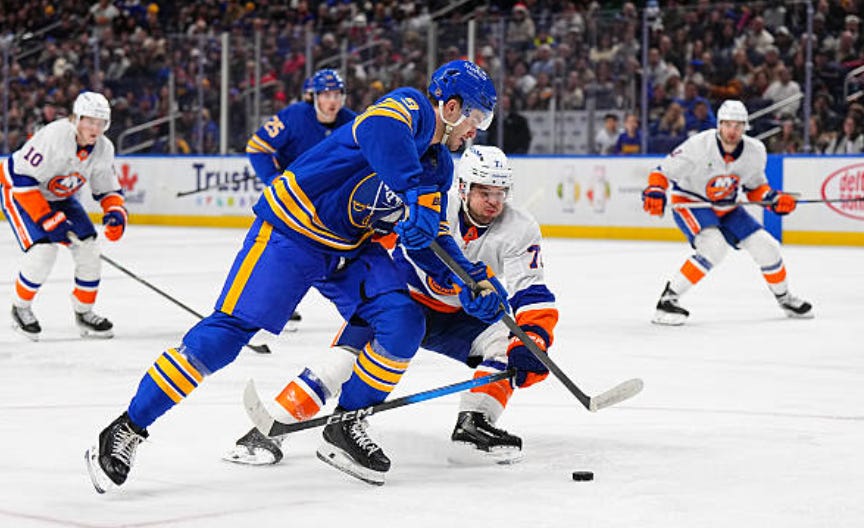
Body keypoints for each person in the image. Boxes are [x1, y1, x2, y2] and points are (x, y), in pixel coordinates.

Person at [85, 60, 505, 492]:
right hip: (292, 232)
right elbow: (380, 131)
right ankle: (127, 427)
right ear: (451, 108)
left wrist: (469, 279)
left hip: (349, 249)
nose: (475, 131)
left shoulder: (439, 167)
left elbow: (428, 239)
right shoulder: (408, 107)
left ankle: (346, 424)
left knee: (404, 320)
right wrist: (413, 193)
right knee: (225, 337)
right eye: (476, 118)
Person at [224, 145, 557, 466]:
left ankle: (474, 424)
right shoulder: (433, 204)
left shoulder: (520, 227)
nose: (494, 201)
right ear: (464, 187)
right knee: (344, 360)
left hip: (457, 318)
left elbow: (530, 290)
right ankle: (271, 427)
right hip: (401, 301)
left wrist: (534, 340)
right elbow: (380, 238)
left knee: (506, 342)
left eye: (500, 192)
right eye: (485, 192)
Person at [641, 100, 813, 325]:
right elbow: (663, 172)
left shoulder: (755, 151)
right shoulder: (698, 146)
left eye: (738, 126)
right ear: (719, 125)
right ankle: (667, 300)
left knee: (768, 247)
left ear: (745, 127)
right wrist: (655, 190)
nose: (732, 131)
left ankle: (785, 298)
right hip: (692, 202)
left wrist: (773, 199)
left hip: (727, 205)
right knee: (714, 247)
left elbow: (755, 188)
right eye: (728, 125)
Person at [0, 91, 125, 341]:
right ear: (77, 118)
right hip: (21, 192)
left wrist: (115, 212)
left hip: (60, 198)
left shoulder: (104, 148)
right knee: (44, 251)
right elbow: (20, 176)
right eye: (90, 121)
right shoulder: (55, 136)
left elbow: (107, 188)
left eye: (100, 123)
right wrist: (45, 217)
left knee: (89, 250)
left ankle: (84, 312)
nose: (95, 128)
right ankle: (20, 307)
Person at [246, 68, 357, 330]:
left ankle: (361, 308)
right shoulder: (294, 116)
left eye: (337, 94)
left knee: (333, 259)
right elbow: (257, 147)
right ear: (313, 97)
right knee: (285, 255)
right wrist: (273, 178)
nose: (332, 101)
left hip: (330, 204)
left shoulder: (352, 122)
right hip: (293, 201)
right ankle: (276, 304)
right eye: (326, 95)